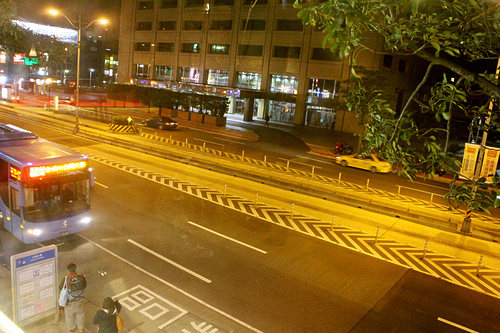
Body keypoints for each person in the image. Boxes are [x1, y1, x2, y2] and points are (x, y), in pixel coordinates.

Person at [59, 262, 87, 333]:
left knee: (69, 316)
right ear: (76, 268)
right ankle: (81, 328)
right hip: (79, 300)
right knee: (80, 314)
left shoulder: (66, 279)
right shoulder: (80, 277)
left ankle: (71, 329)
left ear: (68, 270)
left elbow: (60, 288)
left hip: (69, 302)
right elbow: (85, 285)